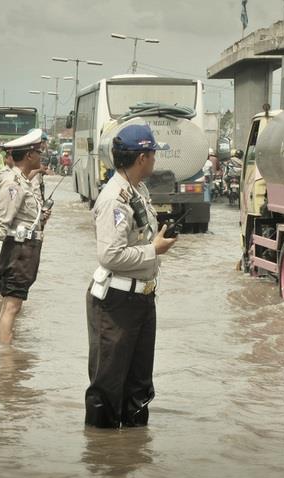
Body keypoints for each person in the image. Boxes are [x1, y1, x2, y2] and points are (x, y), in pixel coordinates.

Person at [85, 123, 177, 429]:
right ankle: (101, 457)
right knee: (107, 388)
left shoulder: (138, 190)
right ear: (141, 158)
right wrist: (154, 250)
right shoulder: (114, 199)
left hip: (141, 298)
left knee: (139, 386)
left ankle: (133, 454)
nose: (155, 161)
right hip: (116, 302)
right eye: (153, 154)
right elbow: (110, 256)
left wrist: (157, 240)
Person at [0, 129, 51, 344]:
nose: (41, 155)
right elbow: (2, 222)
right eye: (38, 151)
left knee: (11, 305)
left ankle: (3, 352)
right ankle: (6, 358)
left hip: (25, 247)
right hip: (19, 250)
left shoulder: (24, 181)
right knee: (13, 306)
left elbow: (24, 216)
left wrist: (41, 218)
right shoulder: (14, 183)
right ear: (29, 155)